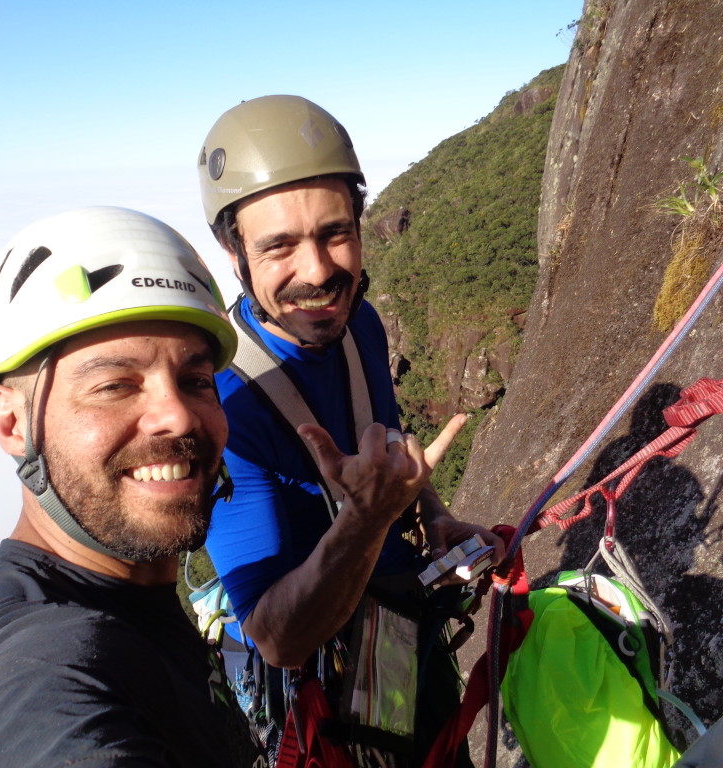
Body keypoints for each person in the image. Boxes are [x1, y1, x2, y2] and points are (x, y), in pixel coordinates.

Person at [0, 206, 268, 768]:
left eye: (195, 380)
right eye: (115, 385)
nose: (178, 416)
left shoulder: (120, 607)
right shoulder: (36, 675)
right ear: (13, 423)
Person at [196, 95, 505, 766]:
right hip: (327, 683)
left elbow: (383, 438)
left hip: (396, 632)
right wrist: (367, 521)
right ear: (233, 251)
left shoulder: (357, 323)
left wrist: (432, 511)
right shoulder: (224, 408)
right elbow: (276, 638)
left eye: (335, 233)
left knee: (437, 753)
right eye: (278, 245)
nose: (317, 271)